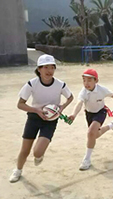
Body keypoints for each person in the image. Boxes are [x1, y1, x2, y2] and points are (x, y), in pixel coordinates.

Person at [9, 54, 74, 183]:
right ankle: (18, 170)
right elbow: (20, 104)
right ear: (39, 69)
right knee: (25, 150)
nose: (49, 71)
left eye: (52, 67)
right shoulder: (32, 84)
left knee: (37, 152)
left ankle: (39, 156)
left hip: (50, 121)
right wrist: (36, 110)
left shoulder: (60, 84)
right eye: (45, 67)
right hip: (34, 117)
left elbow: (70, 97)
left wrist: (61, 108)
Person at [68, 69, 113, 170]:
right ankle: (112, 125)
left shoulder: (102, 90)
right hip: (89, 114)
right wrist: (73, 114)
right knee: (94, 135)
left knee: (90, 133)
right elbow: (79, 104)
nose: (86, 83)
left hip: (101, 112)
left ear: (96, 81)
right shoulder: (83, 92)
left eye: (89, 80)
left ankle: (87, 160)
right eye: (84, 80)